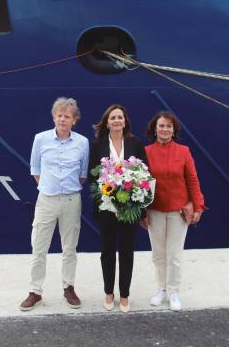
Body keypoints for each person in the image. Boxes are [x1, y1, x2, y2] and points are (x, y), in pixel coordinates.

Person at [19, 97, 89, 311]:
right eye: (59, 115)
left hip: (71, 201)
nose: (62, 119)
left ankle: (68, 288)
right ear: (53, 117)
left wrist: (66, 189)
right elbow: (35, 169)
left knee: (70, 248)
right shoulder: (40, 139)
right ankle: (35, 291)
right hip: (46, 200)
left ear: (74, 120)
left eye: (67, 116)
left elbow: (83, 174)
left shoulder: (82, 142)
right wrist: (50, 188)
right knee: (39, 247)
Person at [140, 111, 206, 311]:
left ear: (174, 130)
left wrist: (198, 205)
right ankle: (161, 289)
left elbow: (192, 180)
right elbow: (140, 183)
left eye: (168, 126)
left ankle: (174, 291)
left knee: (175, 254)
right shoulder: (146, 152)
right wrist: (142, 212)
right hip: (154, 209)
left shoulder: (184, 151)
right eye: (161, 126)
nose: (165, 129)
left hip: (178, 210)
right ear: (155, 129)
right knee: (159, 253)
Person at [88, 104, 147, 313]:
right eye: (112, 117)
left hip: (129, 207)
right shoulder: (97, 145)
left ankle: (124, 295)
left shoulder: (135, 143)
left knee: (127, 251)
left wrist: (140, 208)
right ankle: (108, 292)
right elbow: (92, 176)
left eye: (119, 117)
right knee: (107, 251)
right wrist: (110, 191)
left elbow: (145, 174)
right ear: (106, 122)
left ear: (125, 121)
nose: (116, 121)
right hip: (106, 206)